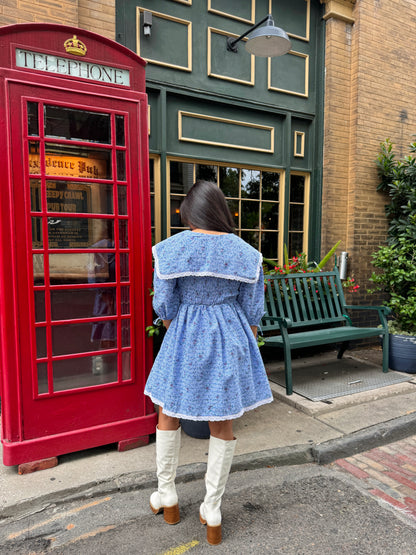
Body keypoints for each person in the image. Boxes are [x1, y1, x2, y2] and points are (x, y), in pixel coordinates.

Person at [144, 180, 273, 545]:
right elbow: (252, 312)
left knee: (168, 411)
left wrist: (180, 324)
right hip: (230, 337)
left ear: (190, 213)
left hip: (184, 334)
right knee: (222, 419)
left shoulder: (170, 250)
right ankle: (212, 509)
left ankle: (166, 495)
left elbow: (165, 307)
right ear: (221, 211)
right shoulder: (246, 253)